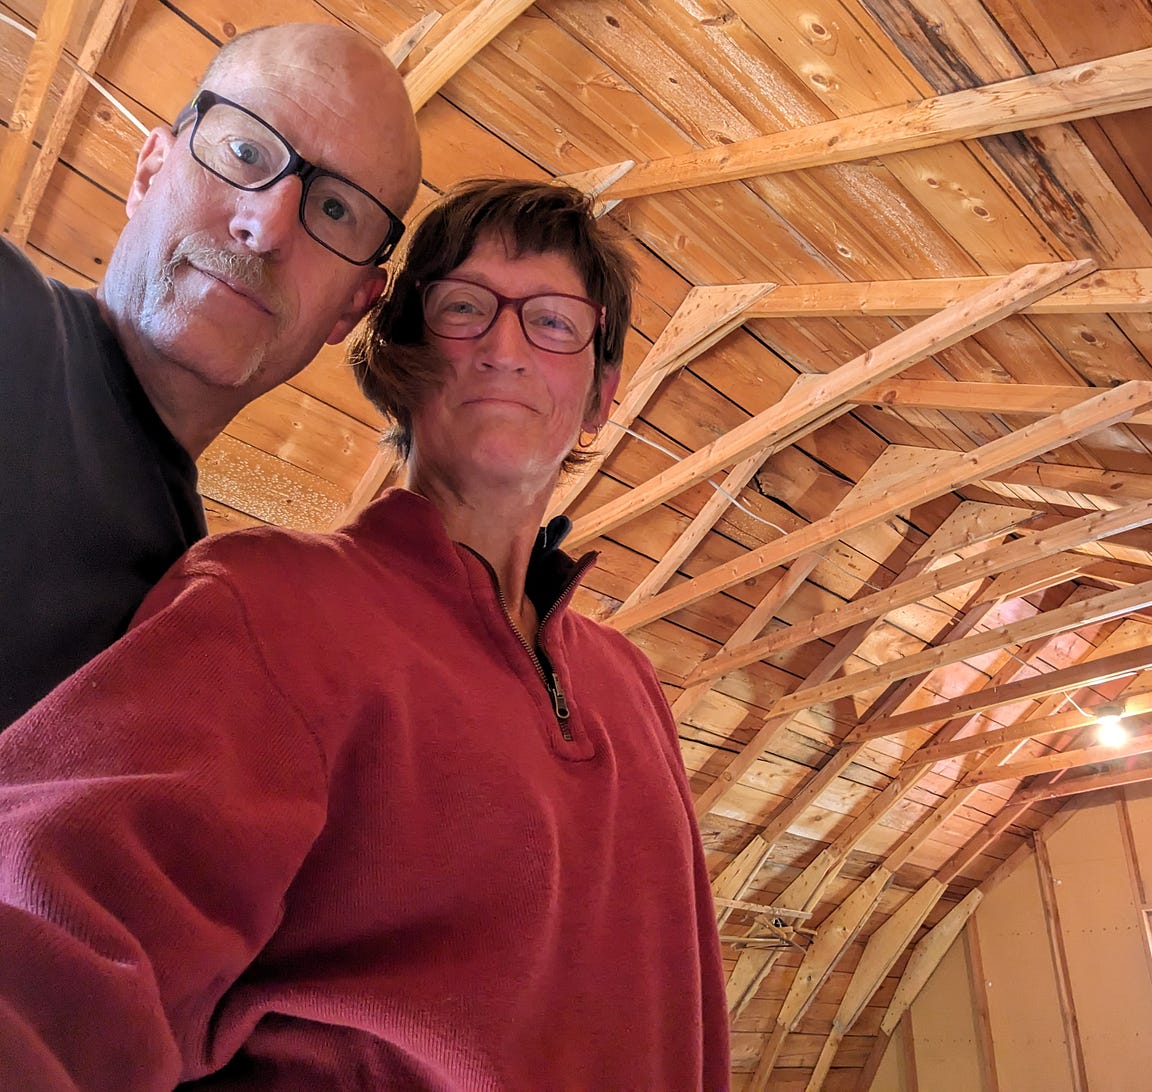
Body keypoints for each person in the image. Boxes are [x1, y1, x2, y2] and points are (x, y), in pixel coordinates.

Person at [0, 178, 732, 1090]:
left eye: (552, 322)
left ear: (602, 393)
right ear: (405, 359)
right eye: (465, 310)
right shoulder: (268, 599)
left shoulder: (632, 686)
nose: (505, 346)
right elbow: (59, 912)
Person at [0, 23, 422, 726]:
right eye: (248, 151)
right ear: (149, 171)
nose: (268, 227)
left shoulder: (187, 616)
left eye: (335, 209)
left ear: (350, 308)